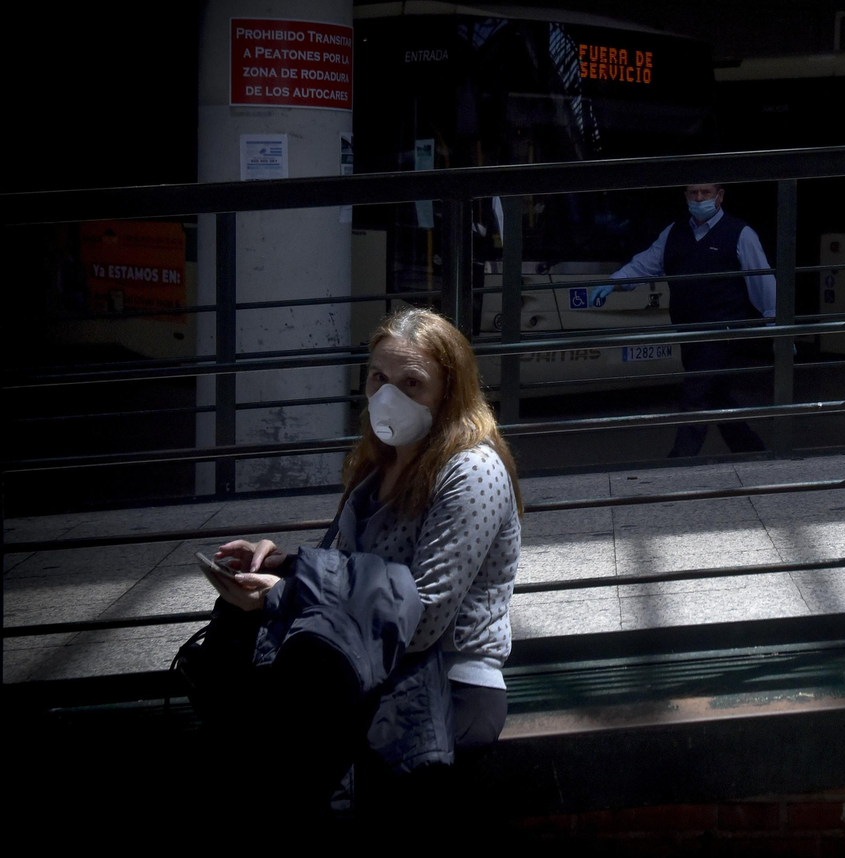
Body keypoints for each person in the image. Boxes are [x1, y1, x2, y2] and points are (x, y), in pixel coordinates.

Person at [204, 307, 522, 808]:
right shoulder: (380, 467)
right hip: (367, 671)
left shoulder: (472, 469)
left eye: (411, 383)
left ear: (449, 392)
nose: (388, 395)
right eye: (379, 377)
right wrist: (284, 565)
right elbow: (348, 576)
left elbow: (423, 619)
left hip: (446, 684)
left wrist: (284, 598)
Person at [592, 183, 777, 457]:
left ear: (720, 195)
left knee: (696, 395)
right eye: (694, 193)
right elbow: (647, 263)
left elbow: (762, 282)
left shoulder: (740, 234)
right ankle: (752, 450)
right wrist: (616, 282)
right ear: (686, 196)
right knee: (716, 395)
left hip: (721, 332)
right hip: (688, 332)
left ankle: (679, 462)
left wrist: (776, 325)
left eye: (706, 193)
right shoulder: (674, 232)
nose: (699, 198)